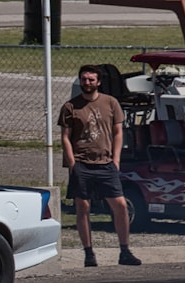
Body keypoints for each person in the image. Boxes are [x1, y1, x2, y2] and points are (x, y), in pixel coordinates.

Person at [59, 64, 142, 267]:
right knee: (83, 207)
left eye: (91, 79)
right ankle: (88, 253)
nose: (87, 83)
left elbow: (118, 132)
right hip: (82, 164)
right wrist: (72, 164)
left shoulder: (111, 103)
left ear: (99, 82)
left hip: (105, 163)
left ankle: (124, 250)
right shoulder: (71, 107)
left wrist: (116, 160)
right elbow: (65, 137)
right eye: (84, 79)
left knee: (120, 205)